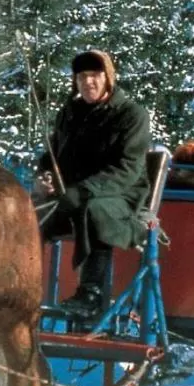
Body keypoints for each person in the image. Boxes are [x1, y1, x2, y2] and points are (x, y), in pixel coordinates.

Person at [36, 50, 152, 322]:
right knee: (22, 211)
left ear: (108, 78)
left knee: (93, 209)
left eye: (95, 76)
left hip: (120, 197)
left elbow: (127, 169)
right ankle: (16, 284)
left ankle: (91, 293)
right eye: (82, 76)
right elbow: (52, 156)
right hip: (72, 195)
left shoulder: (131, 115)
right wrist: (45, 177)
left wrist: (84, 190)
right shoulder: (69, 114)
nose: (88, 82)